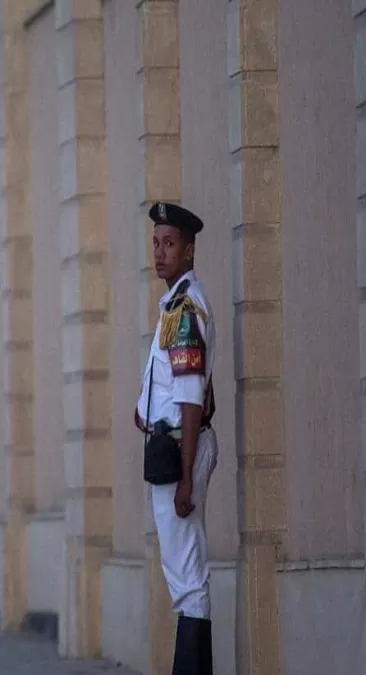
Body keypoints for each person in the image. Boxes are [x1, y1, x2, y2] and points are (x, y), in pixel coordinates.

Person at [134, 202, 217, 675]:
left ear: (189, 251)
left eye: (170, 244)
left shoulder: (185, 309)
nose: (161, 252)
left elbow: (189, 398)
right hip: (168, 450)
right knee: (183, 575)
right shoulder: (174, 304)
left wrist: (187, 476)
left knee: (188, 579)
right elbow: (170, 384)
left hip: (179, 454)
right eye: (156, 243)